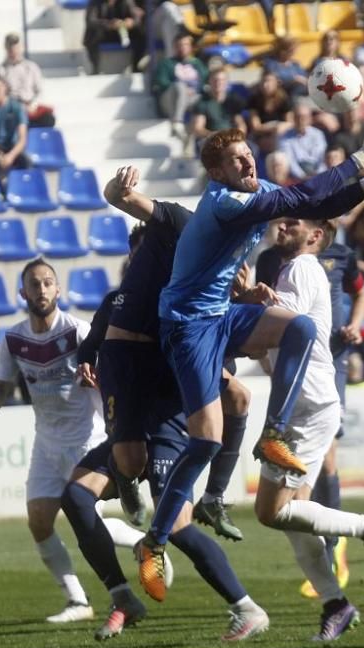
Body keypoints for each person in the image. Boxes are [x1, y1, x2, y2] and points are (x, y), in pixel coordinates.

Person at [133, 128, 364, 599]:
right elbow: (304, 194)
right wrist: (363, 157)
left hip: (222, 314)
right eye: (236, 160)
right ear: (216, 173)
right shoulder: (225, 201)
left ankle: (274, 434)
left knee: (300, 326)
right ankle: (153, 543)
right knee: (205, 443)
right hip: (188, 326)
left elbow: (316, 207)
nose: (247, 164)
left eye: (248, 156)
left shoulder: (255, 190)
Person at [65, 226, 266, 642]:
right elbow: (92, 342)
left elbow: (222, 361)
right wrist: (86, 361)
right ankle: (122, 597)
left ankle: (245, 607)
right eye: (139, 256)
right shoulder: (117, 303)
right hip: (130, 427)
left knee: (176, 525)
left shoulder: (185, 305)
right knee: (75, 495)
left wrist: (243, 303)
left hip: (169, 426)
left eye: (153, 256)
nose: (144, 265)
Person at [247, 217, 364, 640]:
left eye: (296, 221)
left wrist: (242, 303)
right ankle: (337, 604)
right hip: (303, 406)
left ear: (314, 237)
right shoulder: (288, 270)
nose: (284, 222)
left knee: (270, 512)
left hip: (307, 407)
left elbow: (278, 326)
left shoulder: (303, 268)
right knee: (294, 518)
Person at [96, 165, 253, 544]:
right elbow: (122, 199)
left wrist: (246, 298)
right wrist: (117, 188)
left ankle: (214, 497)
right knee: (132, 461)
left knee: (239, 396)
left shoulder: (231, 248)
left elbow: (220, 310)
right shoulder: (181, 220)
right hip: (147, 344)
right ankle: (126, 474)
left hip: (180, 343)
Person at [0, 259, 106, 623]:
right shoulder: (13, 339)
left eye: (48, 283)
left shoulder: (80, 332)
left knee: (87, 520)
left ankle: (145, 544)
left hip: (87, 439)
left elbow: (108, 378)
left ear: (59, 290)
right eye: (35, 284)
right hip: (46, 443)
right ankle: (78, 601)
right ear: (23, 293)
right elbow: (0, 385)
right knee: (39, 521)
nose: (42, 289)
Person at [153, 33, 208, 140]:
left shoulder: (198, 64)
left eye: (186, 45)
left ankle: (188, 140)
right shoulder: (166, 63)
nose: (182, 48)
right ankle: (177, 122)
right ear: (174, 47)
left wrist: (194, 90)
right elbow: (161, 82)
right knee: (179, 86)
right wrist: (184, 89)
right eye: (179, 45)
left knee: (204, 100)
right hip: (171, 99)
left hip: (192, 98)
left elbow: (205, 81)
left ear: (191, 47)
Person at [0, 33, 54, 128]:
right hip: (13, 108)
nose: (14, 52)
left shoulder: (32, 67)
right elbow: (0, 95)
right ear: (6, 49)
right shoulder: (0, 70)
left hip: (31, 106)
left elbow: (39, 90)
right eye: (11, 49)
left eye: (16, 48)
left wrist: (33, 105)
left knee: (48, 119)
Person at [83, 0, 145, 74]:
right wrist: (110, 24)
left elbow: (136, 19)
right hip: (103, 34)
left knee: (141, 34)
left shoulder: (126, 2)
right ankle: (95, 68)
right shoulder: (95, 2)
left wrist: (131, 23)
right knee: (93, 34)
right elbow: (90, 21)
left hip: (121, 33)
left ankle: (135, 66)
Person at [189, 68, 247, 143]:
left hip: (231, 139)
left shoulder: (233, 100)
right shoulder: (202, 102)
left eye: (222, 80)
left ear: (226, 82)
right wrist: (216, 136)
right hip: (210, 140)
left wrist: (237, 137)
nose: (218, 83)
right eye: (215, 80)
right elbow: (198, 128)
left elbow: (240, 124)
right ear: (209, 81)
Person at [279, 100, 328, 181]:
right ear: (293, 118)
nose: (301, 120)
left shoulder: (318, 135)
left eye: (304, 117)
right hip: (297, 177)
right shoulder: (285, 137)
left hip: (317, 174)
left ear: (310, 118)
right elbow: (290, 161)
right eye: (298, 117)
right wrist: (302, 176)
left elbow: (322, 158)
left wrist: (318, 175)